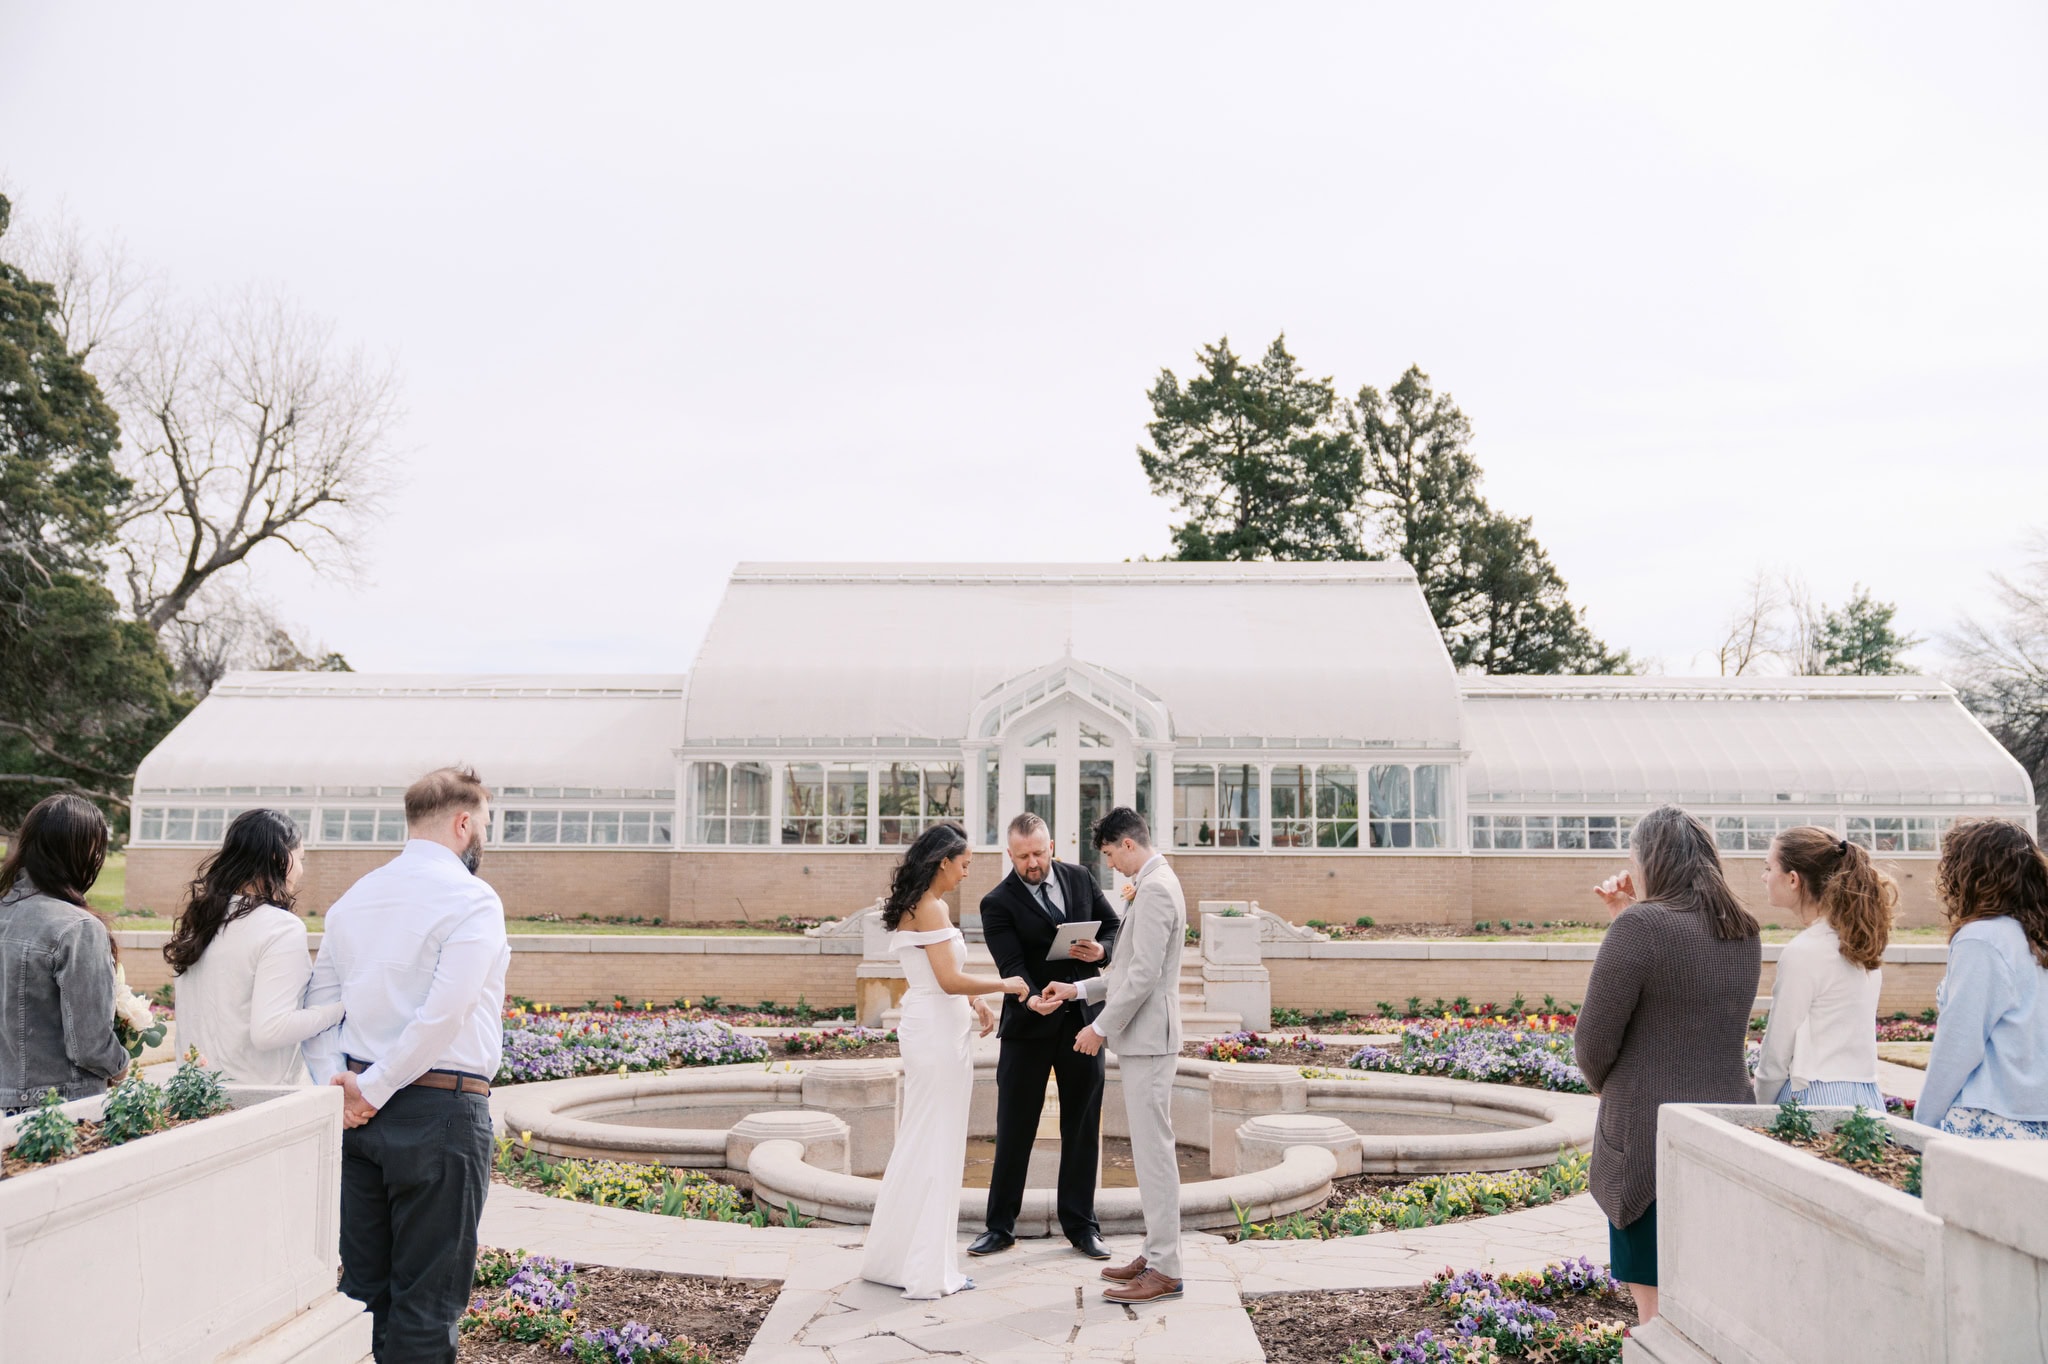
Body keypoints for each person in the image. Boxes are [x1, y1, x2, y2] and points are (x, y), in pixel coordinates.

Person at [302, 768, 510, 1364]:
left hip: (358, 1123)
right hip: (440, 1116)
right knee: (429, 1304)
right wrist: (368, 1090)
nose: (483, 838)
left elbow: (320, 1009)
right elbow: (446, 1011)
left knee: (363, 1294)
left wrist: (338, 1093)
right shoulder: (473, 899)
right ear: (463, 822)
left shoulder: (355, 898)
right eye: (484, 826)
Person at [1575, 804, 1761, 1326]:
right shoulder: (1744, 929)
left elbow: (1592, 1042)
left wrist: (1627, 922)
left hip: (1647, 1141)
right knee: (1710, 1303)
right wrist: (1626, 919)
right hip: (1725, 1130)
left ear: (1651, 860)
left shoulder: (1643, 926)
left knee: (1655, 1315)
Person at [860, 822, 1031, 1299]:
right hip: (935, 1033)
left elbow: (937, 979)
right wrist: (1004, 985)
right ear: (943, 862)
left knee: (923, 1139)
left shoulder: (921, 905)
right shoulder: (931, 908)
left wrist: (974, 1004)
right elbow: (948, 980)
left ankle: (896, 1257)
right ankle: (926, 1270)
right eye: (964, 864)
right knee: (936, 1144)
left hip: (934, 1021)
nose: (967, 873)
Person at [1031, 807, 1186, 1305]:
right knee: (1147, 1151)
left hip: (1150, 1039)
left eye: (1109, 855)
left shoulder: (1158, 888)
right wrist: (1077, 992)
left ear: (1127, 844)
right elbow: (1125, 972)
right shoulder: (1153, 882)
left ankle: (1165, 1268)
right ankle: (1156, 1251)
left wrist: (1098, 1027)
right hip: (1144, 1037)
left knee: (1154, 1153)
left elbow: (1143, 977)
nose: (1110, 867)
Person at [969, 812, 1122, 1260]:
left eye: (1038, 853)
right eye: (1022, 857)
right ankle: (999, 1226)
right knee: (1013, 1127)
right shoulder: (996, 902)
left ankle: (1081, 1226)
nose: (1032, 864)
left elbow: (1113, 928)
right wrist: (1031, 998)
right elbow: (1010, 963)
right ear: (1009, 855)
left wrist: (1102, 951)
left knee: (1081, 1126)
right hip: (1027, 1026)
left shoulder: (1080, 878)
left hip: (1082, 1023)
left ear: (1051, 846)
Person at [163, 809, 345, 1085]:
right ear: (279, 857)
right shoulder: (280, 927)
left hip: (192, 1093)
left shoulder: (201, 921)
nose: (301, 870)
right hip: (253, 1100)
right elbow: (271, 1030)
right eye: (300, 858)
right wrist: (339, 1010)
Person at [1915, 818, 2048, 1138]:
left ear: (1969, 873)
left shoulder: (1982, 938)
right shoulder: (2037, 938)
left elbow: (1959, 1044)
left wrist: (1921, 1124)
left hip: (1990, 1118)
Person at [0, 794, 129, 1116]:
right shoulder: (77, 928)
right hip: (59, 1110)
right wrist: (120, 1065)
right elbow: (90, 1044)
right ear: (80, 852)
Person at [1751, 825, 1895, 1110]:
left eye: (1768, 867)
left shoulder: (1804, 951)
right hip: (1866, 1099)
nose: (1763, 877)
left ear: (1793, 879)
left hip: (1812, 1099)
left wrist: (1759, 1108)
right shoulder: (1861, 942)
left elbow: (1777, 1053)